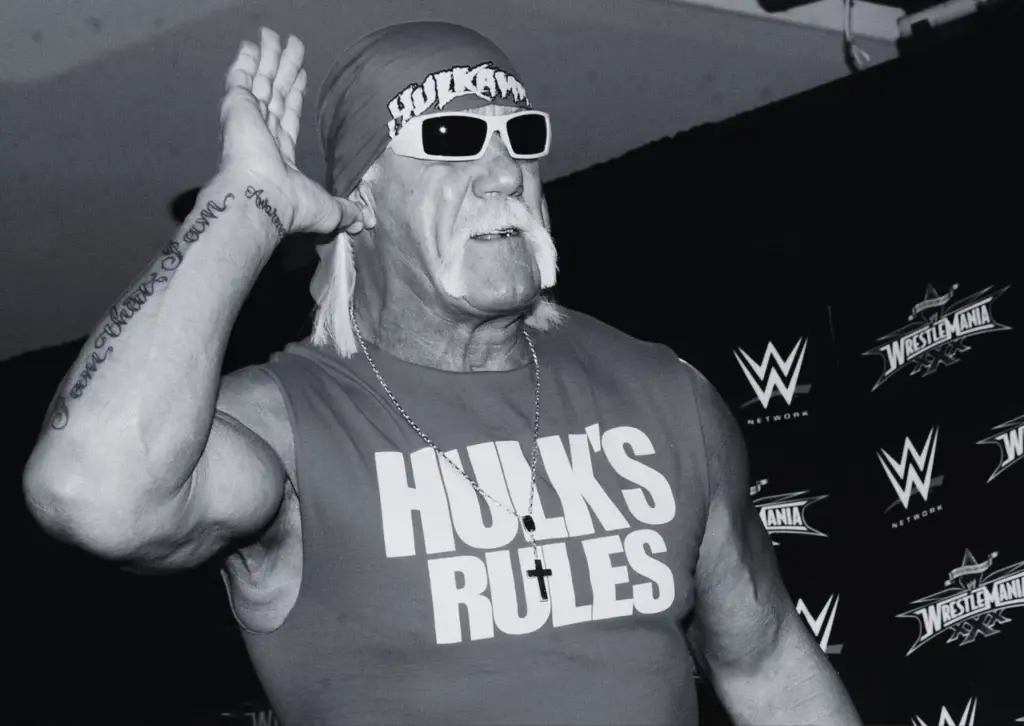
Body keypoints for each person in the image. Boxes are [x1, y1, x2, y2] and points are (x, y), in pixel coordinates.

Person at [23, 21, 862, 726]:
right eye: (452, 139)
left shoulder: (665, 394)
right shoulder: (290, 426)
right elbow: (90, 492)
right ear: (361, 201)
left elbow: (768, 668)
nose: (503, 173)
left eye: (520, 137)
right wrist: (245, 205)